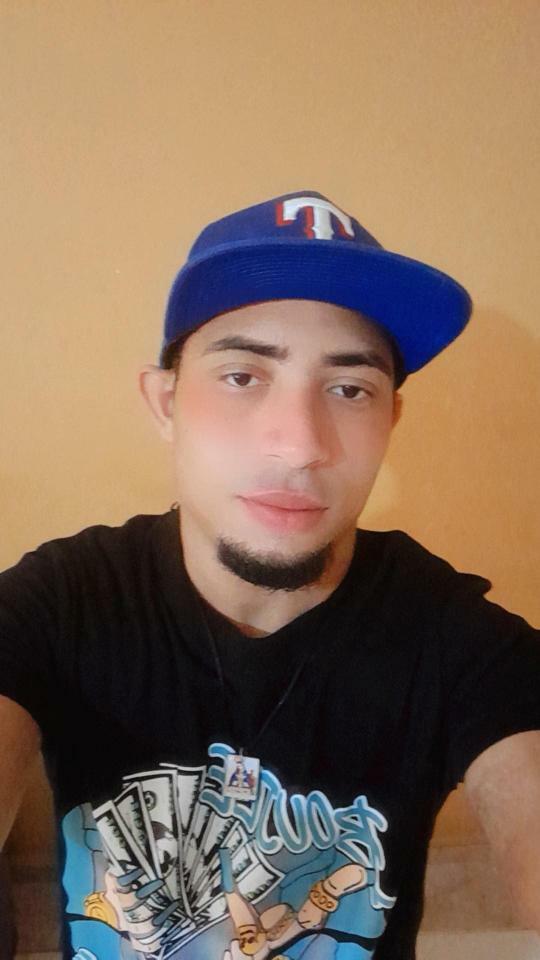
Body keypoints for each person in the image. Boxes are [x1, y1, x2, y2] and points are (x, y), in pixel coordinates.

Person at [1, 190, 539, 960]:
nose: (300, 445)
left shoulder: (450, 634)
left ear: (389, 419)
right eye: (243, 376)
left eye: (349, 389)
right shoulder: (64, 602)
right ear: (164, 402)